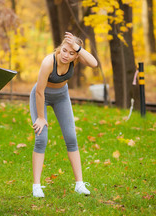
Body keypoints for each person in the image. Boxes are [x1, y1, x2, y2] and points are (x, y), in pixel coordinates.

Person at [30, 32, 98, 197]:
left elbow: (94, 64)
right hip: (41, 96)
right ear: (60, 48)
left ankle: (79, 184)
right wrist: (41, 117)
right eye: (64, 50)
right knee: (41, 139)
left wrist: (78, 48)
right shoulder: (48, 62)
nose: (66, 55)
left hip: (61, 96)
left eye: (71, 53)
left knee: (71, 138)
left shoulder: (76, 58)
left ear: (76, 55)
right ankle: (36, 186)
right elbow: (39, 91)